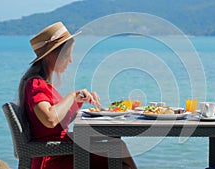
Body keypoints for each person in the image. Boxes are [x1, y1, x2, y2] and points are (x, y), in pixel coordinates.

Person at [18, 22, 137, 169]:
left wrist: (78, 101)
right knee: (119, 153)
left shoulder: (43, 85)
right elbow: (50, 119)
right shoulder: (36, 84)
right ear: (51, 56)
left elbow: (59, 121)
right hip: (53, 158)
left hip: (62, 150)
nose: (70, 60)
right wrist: (71, 96)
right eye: (67, 54)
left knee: (118, 146)